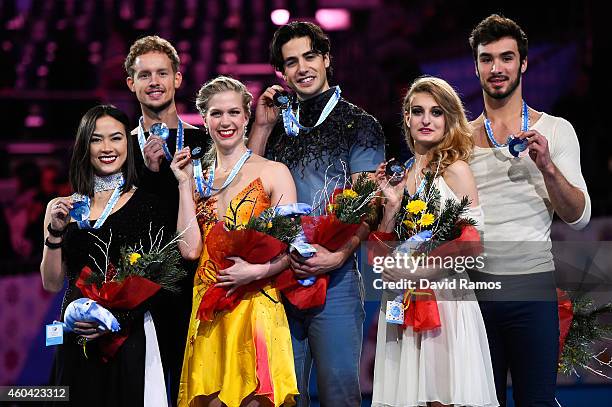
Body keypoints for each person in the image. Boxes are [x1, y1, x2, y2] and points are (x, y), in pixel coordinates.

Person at [248, 21, 385, 406]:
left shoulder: (361, 126)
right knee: (280, 397)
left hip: (336, 280)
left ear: (326, 59)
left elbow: (369, 205)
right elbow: (246, 189)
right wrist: (259, 127)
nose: (302, 68)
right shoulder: (273, 125)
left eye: (310, 56)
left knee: (339, 394)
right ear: (281, 72)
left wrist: (339, 255)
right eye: (291, 62)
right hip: (275, 278)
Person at [40, 104, 202, 406]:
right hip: (76, 339)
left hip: (130, 339)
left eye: (116, 138)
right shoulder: (61, 207)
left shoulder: (150, 204)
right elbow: (51, 282)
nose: (107, 148)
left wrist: (116, 317)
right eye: (96, 139)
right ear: (84, 145)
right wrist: (54, 234)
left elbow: (166, 278)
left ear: (127, 144)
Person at [467, 15, 590, 406]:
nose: (497, 68)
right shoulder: (458, 139)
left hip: (532, 290)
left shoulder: (556, 130)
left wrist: (548, 168)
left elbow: (580, 216)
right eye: (487, 59)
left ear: (523, 63)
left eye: (506, 57)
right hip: (475, 293)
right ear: (476, 66)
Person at [371, 76, 498, 407]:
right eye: (418, 111)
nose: (426, 120)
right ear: (407, 119)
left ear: (450, 119)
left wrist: (420, 274)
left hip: (444, 300)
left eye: (436, 112)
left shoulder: (456, 170)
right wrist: (391, 209)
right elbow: (379, 255)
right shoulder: (402, 175)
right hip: (401, 300)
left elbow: (472, 243)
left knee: (441, 398)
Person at [178, 76, 299, 407]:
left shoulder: (275, 172)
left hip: (256, 304)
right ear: (204, 120)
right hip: (208, 306)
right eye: (216, 114)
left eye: (233, 112)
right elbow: (190, 250)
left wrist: (257, 272)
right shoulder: (196, 178)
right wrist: (183, 184)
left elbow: (293, 247)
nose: (225, 121)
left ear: (247, 116)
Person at [124, 35, 205, 402]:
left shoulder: (205, 141)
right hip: (138, 288)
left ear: (177, 78)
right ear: (131, 83)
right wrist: (144, 171)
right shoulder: (118, 148)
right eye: (144, 75)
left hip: (196, 282)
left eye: (162, 73)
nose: (154, 81)